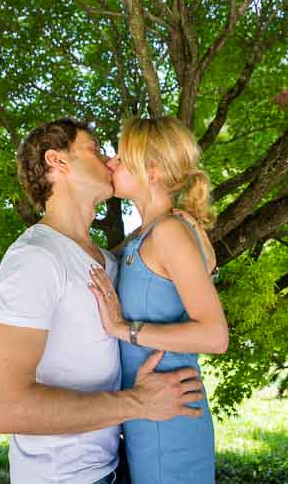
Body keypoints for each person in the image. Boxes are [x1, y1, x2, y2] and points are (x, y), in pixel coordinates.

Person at [0, 118, 206, 484]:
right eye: (94, 148)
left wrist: (181, 227)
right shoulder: (34, 258)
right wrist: (139, 403)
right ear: (58, 161)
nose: (108, 159)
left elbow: (170, 273)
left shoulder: (108, 260)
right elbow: (6, 409)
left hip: (113, 468)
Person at [88, 116, 228, 484]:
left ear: (150, 171)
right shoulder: (148, 234)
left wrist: (123, 329)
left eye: (120, 157)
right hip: (149, 412)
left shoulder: (169, 232)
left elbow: (215, 336)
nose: (110, 162)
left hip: (174, 421)